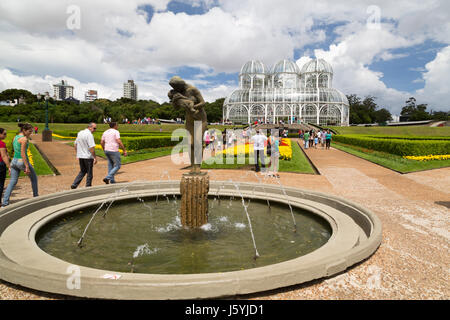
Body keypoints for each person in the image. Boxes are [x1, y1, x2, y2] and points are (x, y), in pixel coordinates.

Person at [2, 123, 38, 207]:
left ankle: (5, 203)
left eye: (32, 131)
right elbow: (22, 153)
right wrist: (27, 166)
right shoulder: (24, 139)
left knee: (12, 182)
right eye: (29, 131)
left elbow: (15, 149)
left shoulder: (15, 137)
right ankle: (36, 198)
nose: (31, 133)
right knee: (34, 179)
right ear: (24, 130)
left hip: (14, 161)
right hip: (21, 161)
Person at [70, 123, 98, 189]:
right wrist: (95, 157)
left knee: (82, 171)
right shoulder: (89, 135)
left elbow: (75, 144)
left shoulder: (80, 133)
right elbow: (91, 148)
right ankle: (88, 187)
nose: (95, 130)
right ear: (89, 127)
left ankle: (74, 184)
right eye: (94, 128)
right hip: (88, 156)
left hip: (81, 156)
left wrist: (78, 153)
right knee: (89, 173)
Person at [0, 128, 11, 205]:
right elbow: (3, 156)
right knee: (0, 184)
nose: (5, 135)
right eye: (4, 134)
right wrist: (9, 166)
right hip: (0, 164)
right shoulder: (1, 143)